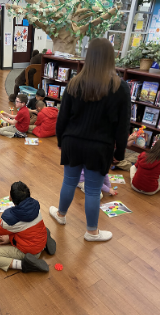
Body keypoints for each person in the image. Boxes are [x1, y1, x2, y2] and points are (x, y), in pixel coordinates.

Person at [50, 38, 131, 242]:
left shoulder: (74, 82)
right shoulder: (121, 88)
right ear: (110, 59)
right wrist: (119, 154)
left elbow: (63, 117)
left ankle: (60, 215)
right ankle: (92, 232)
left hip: (72, 142)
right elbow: (123, 127)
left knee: (69, 181)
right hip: (100, 147)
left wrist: (61, 141)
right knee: (93, 191)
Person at [0, 181, 53, 273]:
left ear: (10, 198)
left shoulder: (10, 221)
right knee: (33, 229)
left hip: (31, 253)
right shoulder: (35, 207)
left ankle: (25, 265)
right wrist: (10, 238)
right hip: (39, 239)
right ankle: (45, 242)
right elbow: (23, 228)